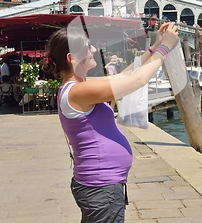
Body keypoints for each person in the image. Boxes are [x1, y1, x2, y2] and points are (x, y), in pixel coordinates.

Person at [41, 21, 179, 223]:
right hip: (101, 188)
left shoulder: (80, 86)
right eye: (88, 47)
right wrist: (165, 49)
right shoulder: (78, 91)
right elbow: (136, 81)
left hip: (100, 186)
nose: (94, 49)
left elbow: (125, 75)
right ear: (72, 58)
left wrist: (155, 47)